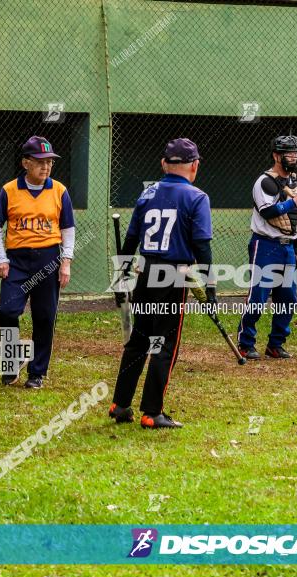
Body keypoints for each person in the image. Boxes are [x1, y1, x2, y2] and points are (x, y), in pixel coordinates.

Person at [109, 138, 213, 429]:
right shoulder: (197, 197)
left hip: (147, 272)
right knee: (164, 344)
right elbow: (202, 247)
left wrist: (122, 273)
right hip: (173, 275)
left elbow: (130, 239)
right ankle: (152, 412)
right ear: (194, 166)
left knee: (139, 341)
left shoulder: (147, 194)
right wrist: (211, 288)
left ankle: (120, 404)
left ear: (164, 164)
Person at [0, 136, 75, 389]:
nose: (46, 166)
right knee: (7, 311)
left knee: (45, 316)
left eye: (49, 162)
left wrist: (66, 261)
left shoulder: (59, 190)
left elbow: (68, 229)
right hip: (16, 261)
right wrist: (0, 259)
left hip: (48, 259)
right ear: (25, 163)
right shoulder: (9, 190)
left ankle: (37, 373)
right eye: (39, 161)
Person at [236, 135, 297, 360]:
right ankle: (245, 342)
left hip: (288, 247)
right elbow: (267, 211)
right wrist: (293, 202)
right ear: (276, 156)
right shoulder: (265, 181)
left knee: (288, 298)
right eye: (289, 153)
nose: (295, 157)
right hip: (265, 245)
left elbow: (293, 223)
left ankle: (276, 344)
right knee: (258, 296)